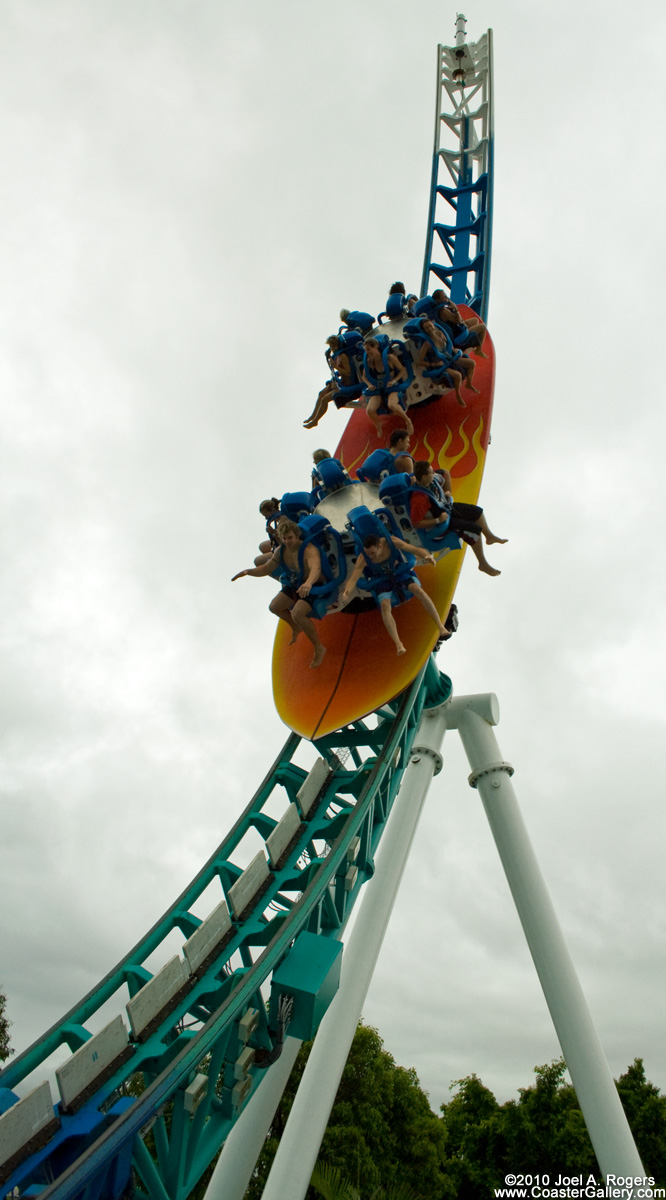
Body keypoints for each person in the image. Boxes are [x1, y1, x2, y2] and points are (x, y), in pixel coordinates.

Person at [232, 518, 327, 668]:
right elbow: (265, 568)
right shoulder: (281, 551)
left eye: (290, 538)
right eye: (284, 538)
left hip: (314, 584)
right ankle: (296, 627)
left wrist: (308, 583)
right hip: (296, 583)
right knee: (274, 607)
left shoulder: (309, 550)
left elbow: (316, 569)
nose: (287, 541)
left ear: (296, 535)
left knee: (297, 613)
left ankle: (319, 647)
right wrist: (248, 572)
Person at [340, 534, 447, 655]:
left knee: (417, 590)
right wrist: (347, 591)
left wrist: (427, 556)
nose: (370, 557)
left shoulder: (392, 542)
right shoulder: (363, 557)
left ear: (380, 546)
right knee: (385, 606)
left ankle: (440, 626)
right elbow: (354, 578)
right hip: (381, 579)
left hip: (398, 572)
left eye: (373, 553)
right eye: (368, 553)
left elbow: (415, 550)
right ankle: (398, 643)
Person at [410, 460, 507, 576]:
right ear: (424, 476)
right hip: (439, 527)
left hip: (446, 510)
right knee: (474, 530)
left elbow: (445, 473)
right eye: (431, 472)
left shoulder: (433, 480)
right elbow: (416, 523)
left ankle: (489, 536)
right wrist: (438, 520)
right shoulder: (419, 499)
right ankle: (482, 564)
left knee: (477, 512)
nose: (433, 473)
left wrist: (448, 492)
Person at [303, 335, 361, 429]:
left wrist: (336, 367)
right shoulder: (336, 355)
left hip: (348, 385)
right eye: (331, 346)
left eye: (333, 346)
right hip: (341, 382)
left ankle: (315, 421)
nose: (332, 348)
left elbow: (348, 372)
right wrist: (329, 356)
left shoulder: (343, 356)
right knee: (321, 393)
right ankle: (312, 416)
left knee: (325, 399)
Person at [361, 338, 413, 437]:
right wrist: (369, 385)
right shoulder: (369, 362)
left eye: (369, 349)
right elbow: (364, 376)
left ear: (375, 347)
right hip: (378, 388)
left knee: (392, 405)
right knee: (370, 410)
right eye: (366, 350)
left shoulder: (390, 358)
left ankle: (408, 421)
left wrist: (394, 381)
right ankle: (378, 424)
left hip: (392, 387)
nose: (367, 352)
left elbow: (402, 370)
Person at [421, 319, 480, 396]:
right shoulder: (427, 344)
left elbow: (449, 344)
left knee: (472, 363)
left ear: (433, 325)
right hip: (441, 364)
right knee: (457, 375)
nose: (429, 329)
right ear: (424, 330)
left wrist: (454, 350)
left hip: (450, 358)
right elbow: (420, 361)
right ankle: (458, 396)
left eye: (430, 326)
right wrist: (435, 365)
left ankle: (468, 384)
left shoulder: (440, 334)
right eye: (426, 328)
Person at [431, 288, 488, 357]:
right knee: (482, 327)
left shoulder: (441, 309)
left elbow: (459, 321)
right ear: (438, 300)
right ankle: (478, 350)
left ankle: (472, 344)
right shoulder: (443, 312)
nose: (447, 298)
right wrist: (455, 309)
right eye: (444, 297)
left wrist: (451, 309)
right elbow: (458, 321)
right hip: (458, 335)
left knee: (475, 320)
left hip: (456, 328)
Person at [255, 497, 282, 566]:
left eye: (266, 515)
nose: (266, 518)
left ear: (272, 511)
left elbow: (284, 541)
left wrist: (273, 532)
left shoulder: (282, 520)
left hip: (284, 546)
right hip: (278, 542)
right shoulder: (277, 520)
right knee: (262, 546)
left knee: (258, 561)